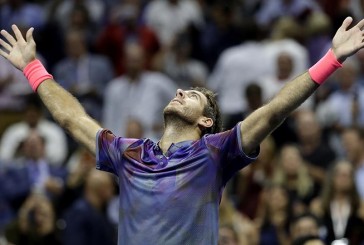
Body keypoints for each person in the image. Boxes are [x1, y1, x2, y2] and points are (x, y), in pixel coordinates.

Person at [0, 16, 364, 244]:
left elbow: (273, 112)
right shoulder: (129, 153)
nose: (178, 92)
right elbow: (72, 119)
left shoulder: (215, 152)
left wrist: (331, 59)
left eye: (191, 95)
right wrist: (33, 68)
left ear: (206, 122)